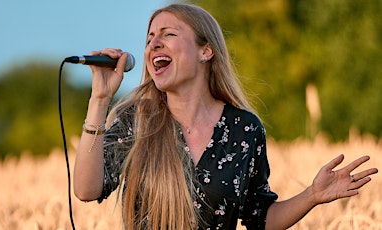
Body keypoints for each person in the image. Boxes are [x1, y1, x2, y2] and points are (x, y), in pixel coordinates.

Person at [72, 3, 378, 230]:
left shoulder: (244, 129)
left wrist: (312, 195)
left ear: (206, 51)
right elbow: (87, 190)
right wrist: (100, 98)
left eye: (168, 34)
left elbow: (259, 216)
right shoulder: (136, 119)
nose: (153, 44)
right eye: (150, 37)